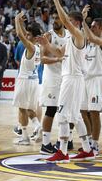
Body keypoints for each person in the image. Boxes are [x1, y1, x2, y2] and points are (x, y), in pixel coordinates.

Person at [39, 0, 94, 163]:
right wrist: (46, 45)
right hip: (72, 79)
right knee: (76, 115)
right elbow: (59, 53)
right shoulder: (72, 38)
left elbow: (64, 19)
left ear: (76, 23)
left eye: (69, 20)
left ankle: (62, 152)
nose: (65, 22)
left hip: (72, 79)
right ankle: (87, 149)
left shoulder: (79, 35)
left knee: (62, 115)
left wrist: (56, 0)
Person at [39, 12, 70, 154]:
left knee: (66, 110)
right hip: (51, 77)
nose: (55, 20)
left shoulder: (69, 35)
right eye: (54, 18)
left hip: (65, 76)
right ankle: (45, 143)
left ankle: (64, 140)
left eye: (57, 18)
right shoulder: (48, 36)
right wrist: (57, 59)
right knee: (51, 110)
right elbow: (42, 59)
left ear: (64, 20)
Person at [81, 10, 102, 155]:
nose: (91, 29)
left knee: (94, 113)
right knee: (82, 111)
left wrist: (82, 21)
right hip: (85, 80)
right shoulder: (88, 44)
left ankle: (95, 145)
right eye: (90, 26)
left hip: (97, 80)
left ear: (101, 28)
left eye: (94, 27)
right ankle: (88, 141)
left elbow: (92, 38)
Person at [12, 11, 42, 145]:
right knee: (30, 109)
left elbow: (19, 34)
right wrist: (22, 23)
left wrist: (16, 20)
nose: (26, 35)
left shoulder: (31, 46)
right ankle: (38, 126)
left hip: (25, 80)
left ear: (35, 38)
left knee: (22, 109)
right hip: (34, 80)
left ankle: (24, 137)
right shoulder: (38, 45)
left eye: (29, 35)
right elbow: (25, 33)